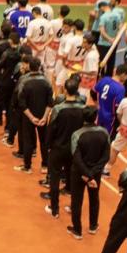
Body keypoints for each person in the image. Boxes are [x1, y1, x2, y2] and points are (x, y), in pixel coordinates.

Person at [43, 77, 87, 218]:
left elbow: (51, 128)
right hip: (75, 149)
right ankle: (73, 207)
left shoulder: (58, 109)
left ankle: (54, 209)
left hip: (59, 147)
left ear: (65, 90)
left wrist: (48, 145)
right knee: (75, 180)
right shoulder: (83, 109)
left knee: (55, 177)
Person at [67, 106, 109, 239]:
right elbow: (105, 157)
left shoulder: (77, 134)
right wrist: (92, 174)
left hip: (79, 173)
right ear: (96, 117)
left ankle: (77, 230)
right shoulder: (104, 133)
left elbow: (76, 158)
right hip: (95, 173)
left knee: (76, 200)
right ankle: (93, 226)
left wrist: (86, 174)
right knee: (94, 198)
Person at [14, 57, 54, 173]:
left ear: (29, 67)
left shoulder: (24, 80)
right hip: (43, 116)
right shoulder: (47, 81)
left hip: (28, 116)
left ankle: (27, 166)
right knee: (44, 141)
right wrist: (44, 117)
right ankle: (45, 166)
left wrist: (31, 117)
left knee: (28, 141)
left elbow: (21, 102)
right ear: (39, 66)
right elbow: (50, 102)